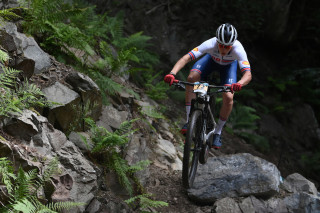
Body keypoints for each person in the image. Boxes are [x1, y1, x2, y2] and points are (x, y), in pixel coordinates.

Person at [163, 23, 252, 149]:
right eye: (221, 45)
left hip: (228, 68)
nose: (224, 49)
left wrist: (239, 84)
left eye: (228, 47)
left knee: (228, 96)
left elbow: (248, 74)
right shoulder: (210, 44)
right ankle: (189, 121)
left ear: (232, 45)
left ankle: (218, 132)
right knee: (191, 79)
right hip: (210, 62)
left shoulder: (238, 49)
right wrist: (172, 73)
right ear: (217, 41)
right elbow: (186, 58)